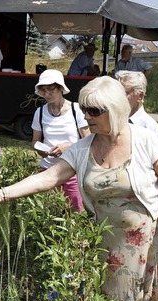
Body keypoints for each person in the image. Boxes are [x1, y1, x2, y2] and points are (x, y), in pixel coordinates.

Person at [0, 76, 158, 301]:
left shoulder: (145, 140)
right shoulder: (82, 149)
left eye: (93, 110)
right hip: (105, 241)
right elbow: (49, 177)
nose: (85, 116)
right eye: (84, 109)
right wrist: (3, 193)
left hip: (147, 239)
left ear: (114, 109)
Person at [31, 69, 91, 211]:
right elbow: (34, 141)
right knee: (48, 211)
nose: (47, 94)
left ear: (60, 88)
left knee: (76, 211)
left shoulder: (76, 110)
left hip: (72, 170)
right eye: (43, 90)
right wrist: (41, 149)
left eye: (51, 89)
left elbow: (89, 141)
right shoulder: (39, 112)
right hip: (47, 169)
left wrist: (68, 147)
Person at [115, 70, 158, 149]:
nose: (119, 97)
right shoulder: (113, 120)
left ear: (140, 96)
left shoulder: (148, 127)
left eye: (125, 93)